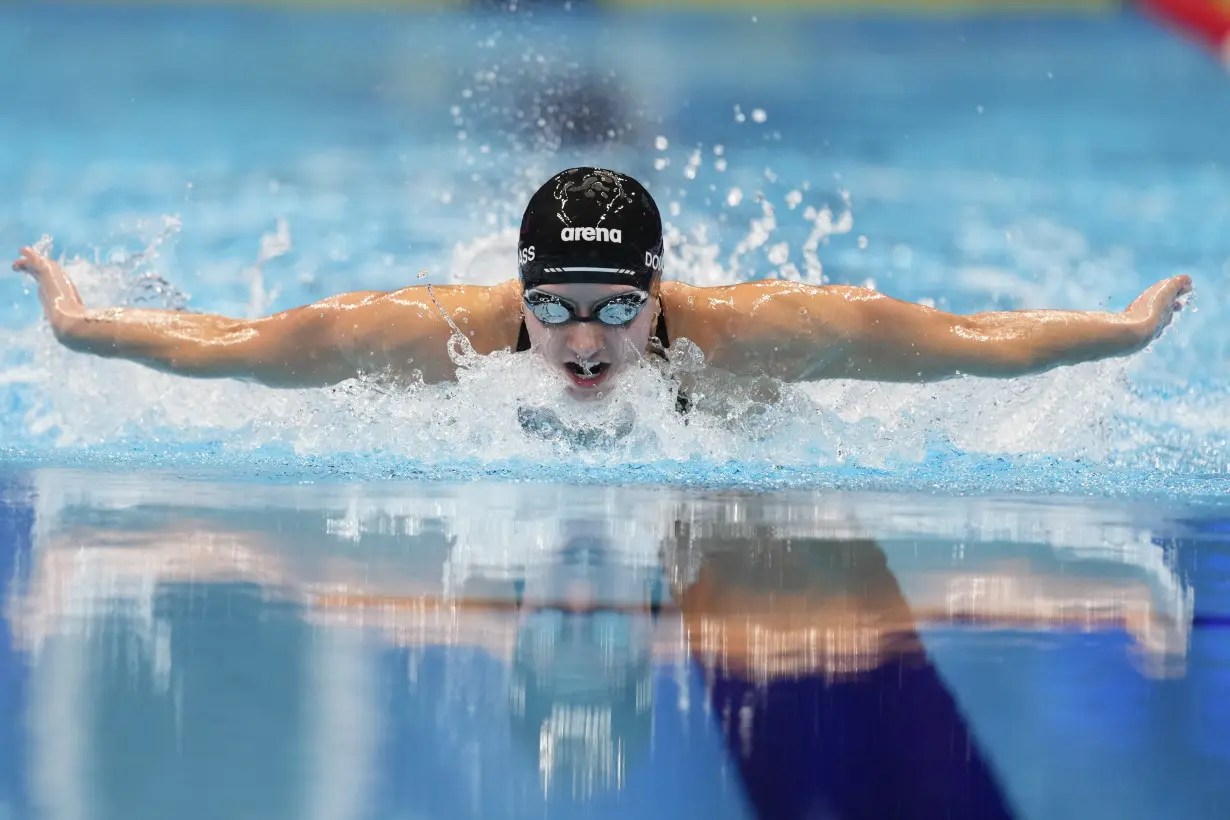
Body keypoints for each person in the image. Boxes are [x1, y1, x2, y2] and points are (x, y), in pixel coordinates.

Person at [12, 167, 1192, 405]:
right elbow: (232, 342)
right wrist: (84, 327)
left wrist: (1121, 336)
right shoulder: (429, 341)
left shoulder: (764, 335)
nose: (583, 342)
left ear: (660, 289)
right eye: (559, 307)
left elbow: (976, 337)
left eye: (619, 307)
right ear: (516, 291)